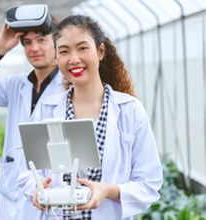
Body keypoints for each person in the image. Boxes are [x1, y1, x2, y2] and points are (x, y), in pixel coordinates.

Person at [24, 15, 163, 220]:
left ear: (100, 51)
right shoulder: (47, 108)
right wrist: (35, 187)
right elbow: (25, 169)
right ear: (56, 58)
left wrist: (107, 190)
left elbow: (149, 182)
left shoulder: (129, 110)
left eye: (82, 48)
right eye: (64, 51)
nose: (74, 59)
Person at [0, 12, 64, 220]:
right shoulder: (16, 86)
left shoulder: (69, 86)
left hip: (50, 193)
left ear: (58, 42)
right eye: (27, 42)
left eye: (41, 40)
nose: (34, 48)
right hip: (13, 193)